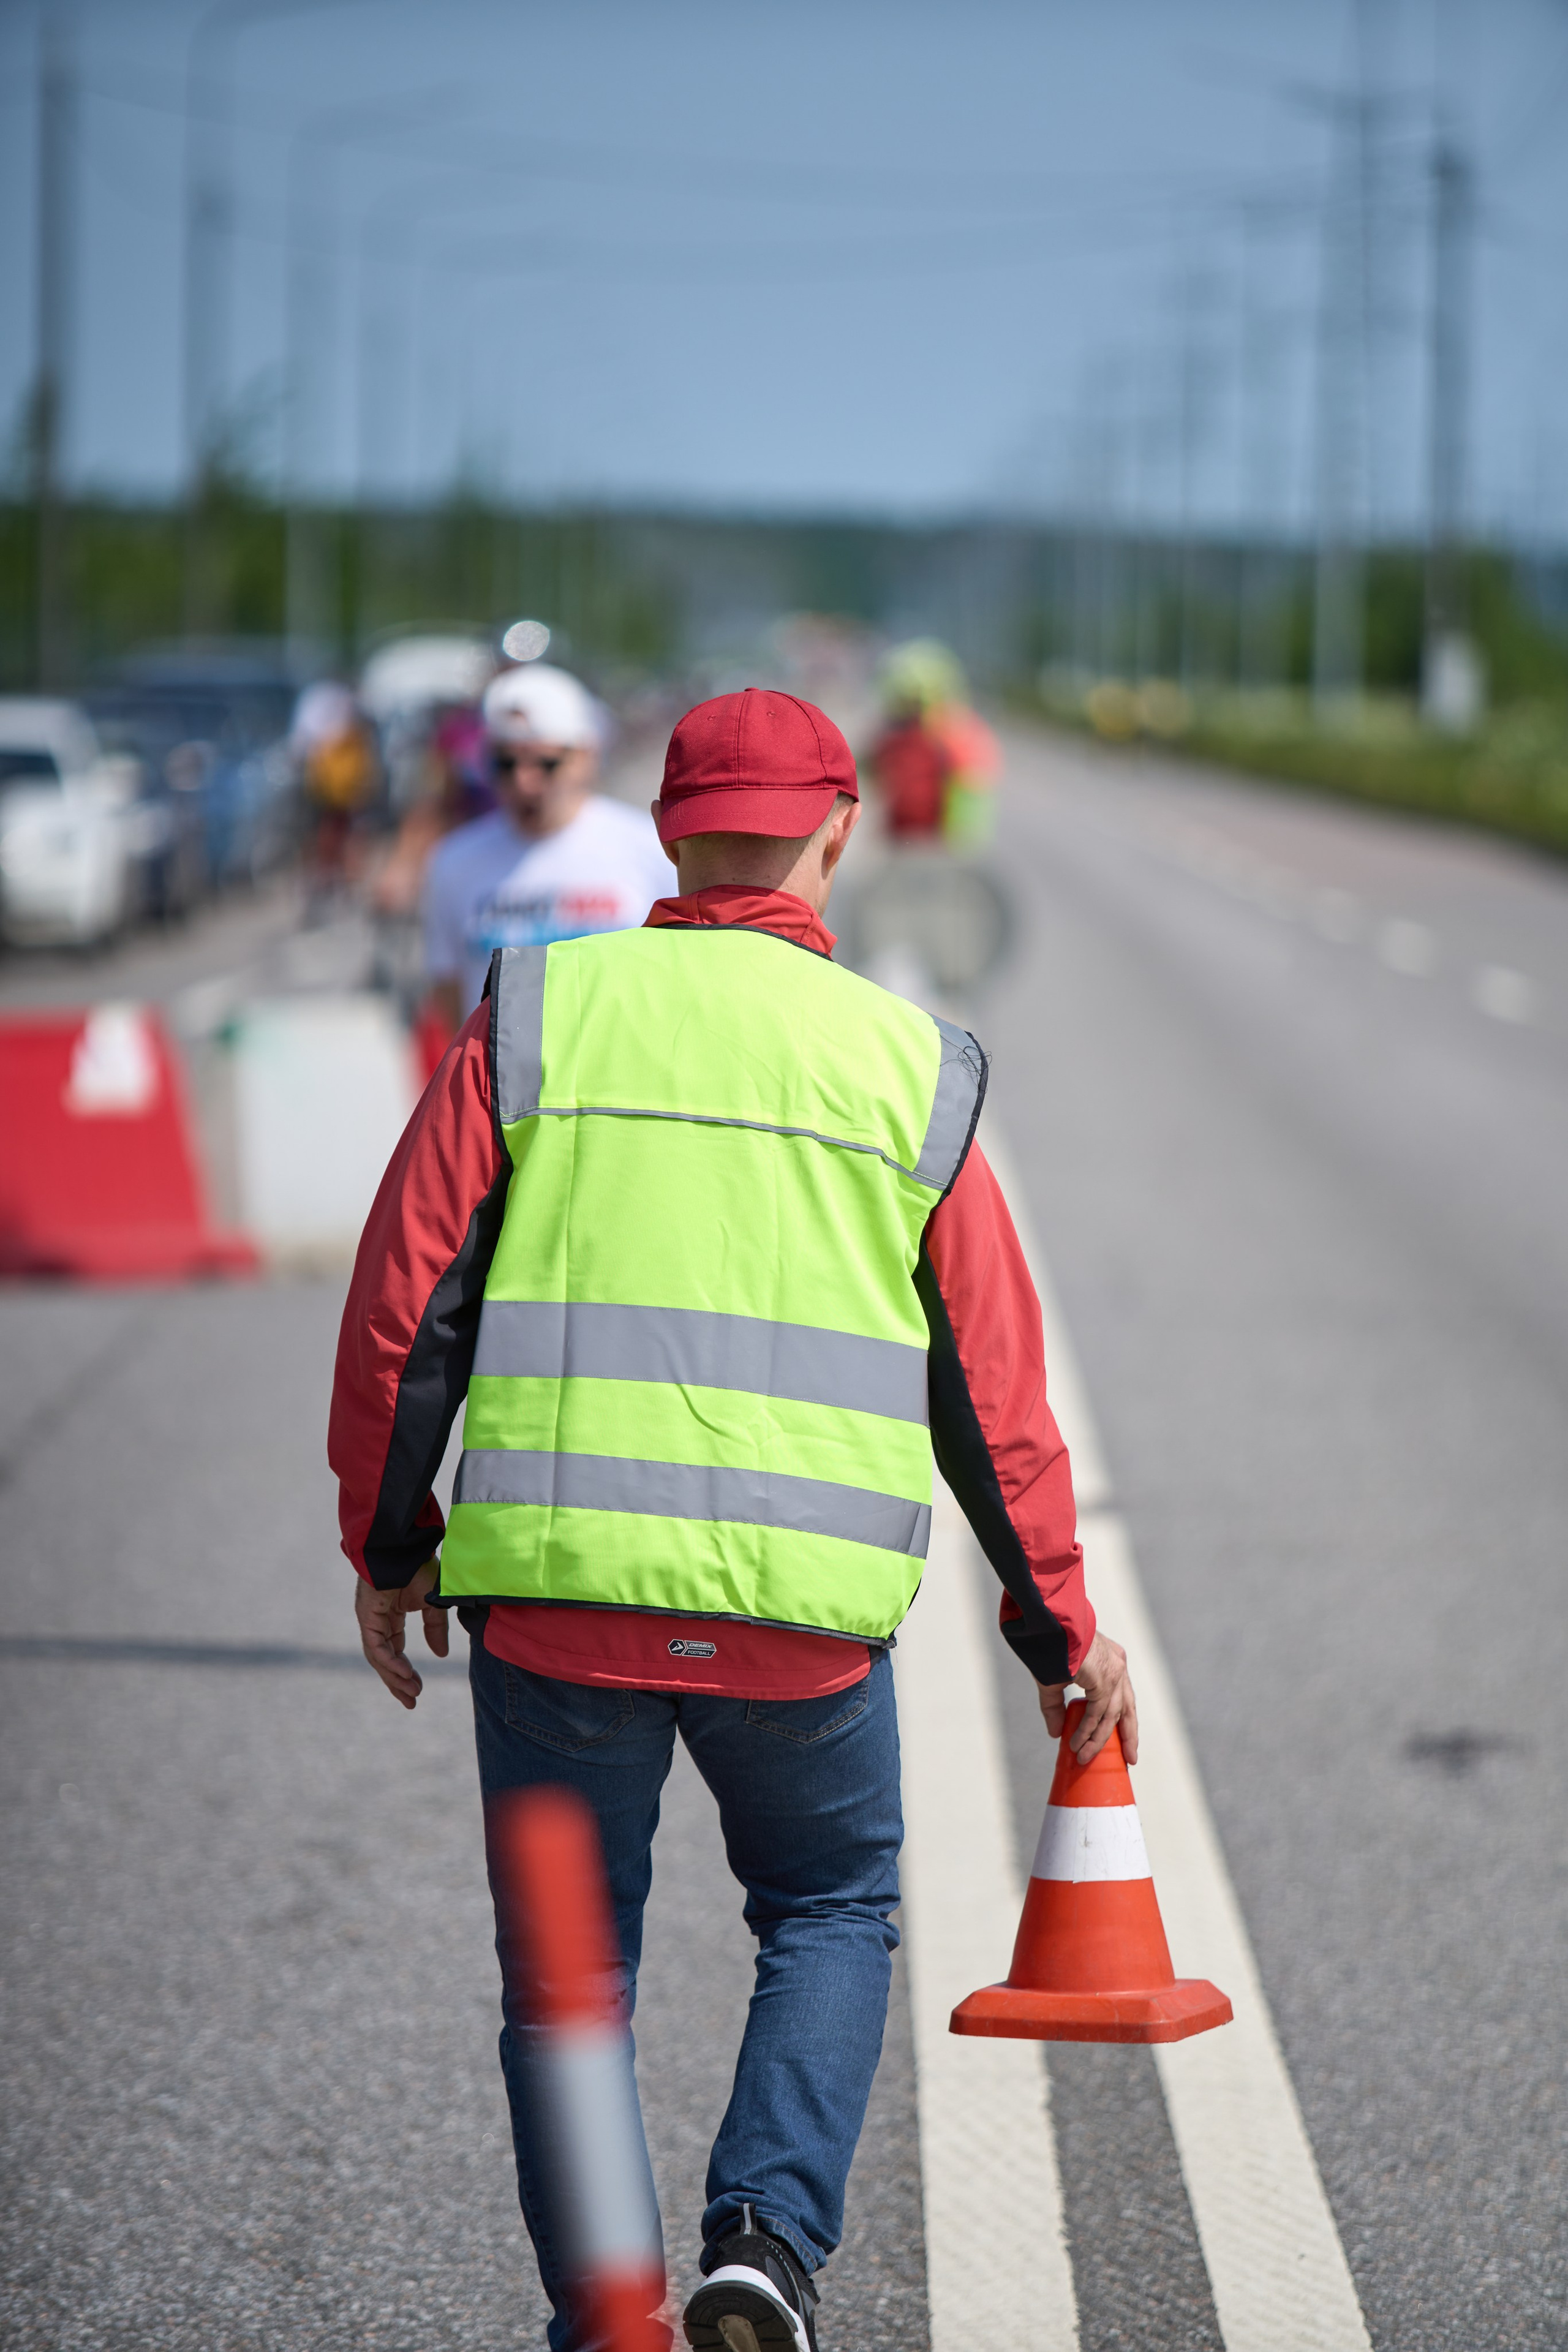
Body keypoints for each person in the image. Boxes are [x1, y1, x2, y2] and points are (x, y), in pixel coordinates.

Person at [329, 687, 1136, 2352]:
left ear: (666, 828)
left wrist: (390, 1544)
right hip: (801, 1629)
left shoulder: (541, 1010)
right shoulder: (913, 1064)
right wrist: (1055, 1623)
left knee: (568, 1981)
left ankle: (609, 2311)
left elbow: (411, 1302)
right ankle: (764, 2243)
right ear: (840, 832)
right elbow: (991, 1384)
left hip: (557, 1609)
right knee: (831, 1910)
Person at [420, 661, 669, 1037]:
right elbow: (450, 995)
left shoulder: (647, 847)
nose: (525, 782)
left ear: (586, 757)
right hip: (506, 1090)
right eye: (506, 764)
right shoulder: (453, 861)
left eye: (545, 764)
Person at [866, 638, 1001, 848]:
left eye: (905, 702)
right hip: (904, 840)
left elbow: (970, 792)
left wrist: (959, 843)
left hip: (942, 844)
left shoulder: (956, 734)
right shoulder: (899, 735)